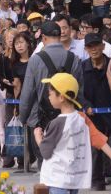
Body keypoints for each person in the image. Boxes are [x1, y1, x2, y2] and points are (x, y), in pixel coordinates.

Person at [35, 72, 111, 194]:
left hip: (55, 180)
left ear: (62, 97)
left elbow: (45, 152)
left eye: (50, 94)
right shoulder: (82, 118)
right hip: (74, 181)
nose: (49, 97)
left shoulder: (57, 123)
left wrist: (38, 138)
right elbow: (100, 142)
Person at [19, 21, 85, 166]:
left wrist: (23, 117)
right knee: (68, 159)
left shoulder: (35, 59)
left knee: (46, 161)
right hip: (68, 117)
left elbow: (28, 93)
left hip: (40, 119)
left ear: (43, 37)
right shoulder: (73, 58)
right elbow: (79, 91)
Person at [81, 32, 111, 191]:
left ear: (102, 46)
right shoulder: (82, 67)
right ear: (86, 49)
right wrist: (86, 106)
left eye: (96, 45)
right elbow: (78, 93)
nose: (94, 49)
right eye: (90, 46)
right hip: (92, 115)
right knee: (95, 150)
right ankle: (97, 180)